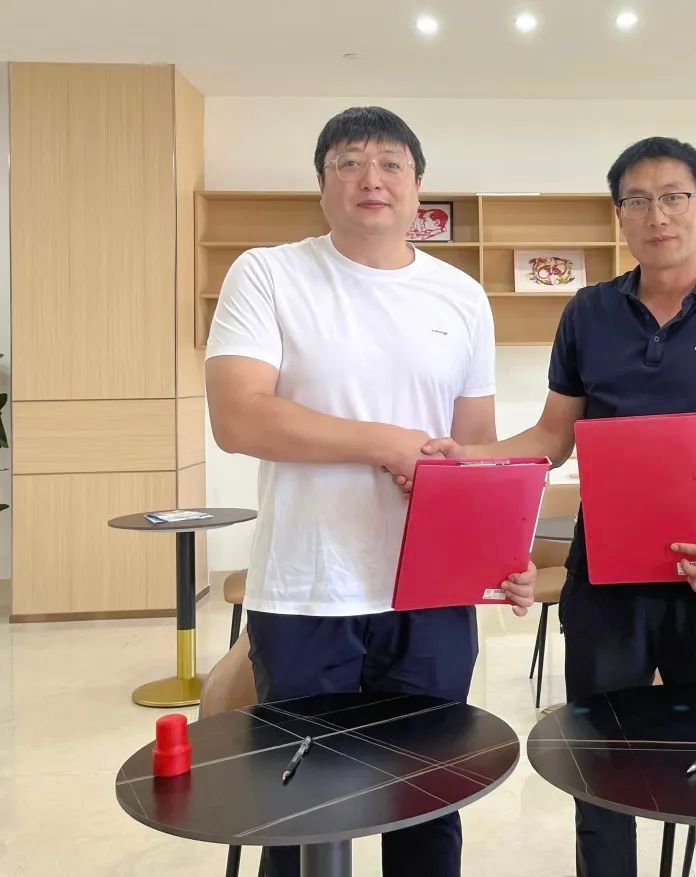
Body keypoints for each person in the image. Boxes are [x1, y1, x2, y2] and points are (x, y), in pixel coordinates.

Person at [423, 136, 696, 877]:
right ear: (620, 216)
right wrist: (465, 457)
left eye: (673, 197)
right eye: (637, 201)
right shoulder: (588, 313)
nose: (656, 215)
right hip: (604, 587)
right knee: (600, 773)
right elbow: (552, 437)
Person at [204, 106, 536, 877]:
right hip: (307, 589)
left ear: (419, 188)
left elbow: (474, 453)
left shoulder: (460, 296)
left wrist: (500, 558)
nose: (371, 178)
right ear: (321, 186)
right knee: (301, 813)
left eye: (391, 163)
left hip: (431, 595)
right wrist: (386, 442)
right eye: (348, 162)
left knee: (427, 804)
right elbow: (238, 416)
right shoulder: (269, 273)